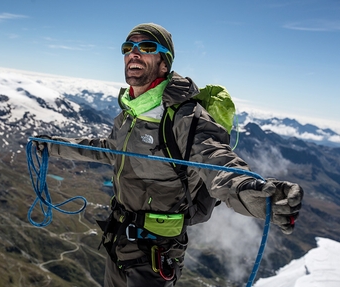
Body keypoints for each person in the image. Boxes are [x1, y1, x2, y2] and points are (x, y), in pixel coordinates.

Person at [35, 23, 304, 287]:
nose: (134, 53)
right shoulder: (131, 112)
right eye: (128, 47)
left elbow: (216, 161)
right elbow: (109, 149)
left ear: (164, 63)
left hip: (155, 255)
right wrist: (54, 145)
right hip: (118, 240)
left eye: (146, 47)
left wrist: (249, 191)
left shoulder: (185, 117)